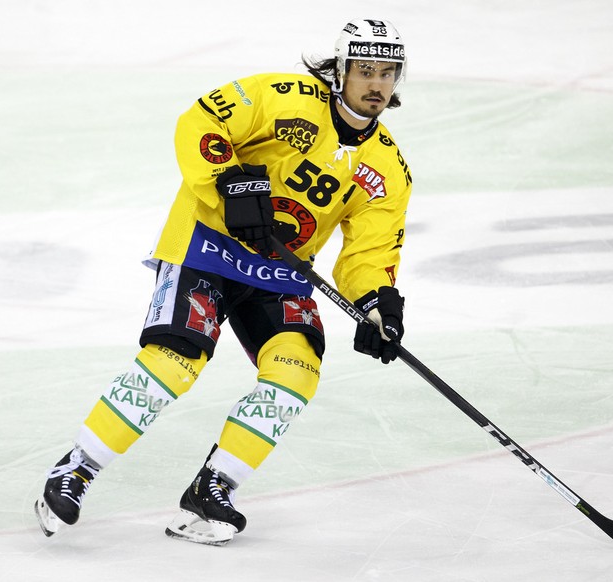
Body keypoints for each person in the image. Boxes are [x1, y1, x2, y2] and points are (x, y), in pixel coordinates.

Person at [34, 18, 412, 546]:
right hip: (207, 244)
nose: (376, 83)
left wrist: (376, 306)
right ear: (341, 70)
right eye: (365, 70)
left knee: (297, 368)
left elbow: (369, 253)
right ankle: (75, 468)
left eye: (387, 72)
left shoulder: (390, 169)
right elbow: (202, 120)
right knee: (176, 359)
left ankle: (213, 488)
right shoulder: (285, 97)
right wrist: (230, 182)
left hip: (278, 268)